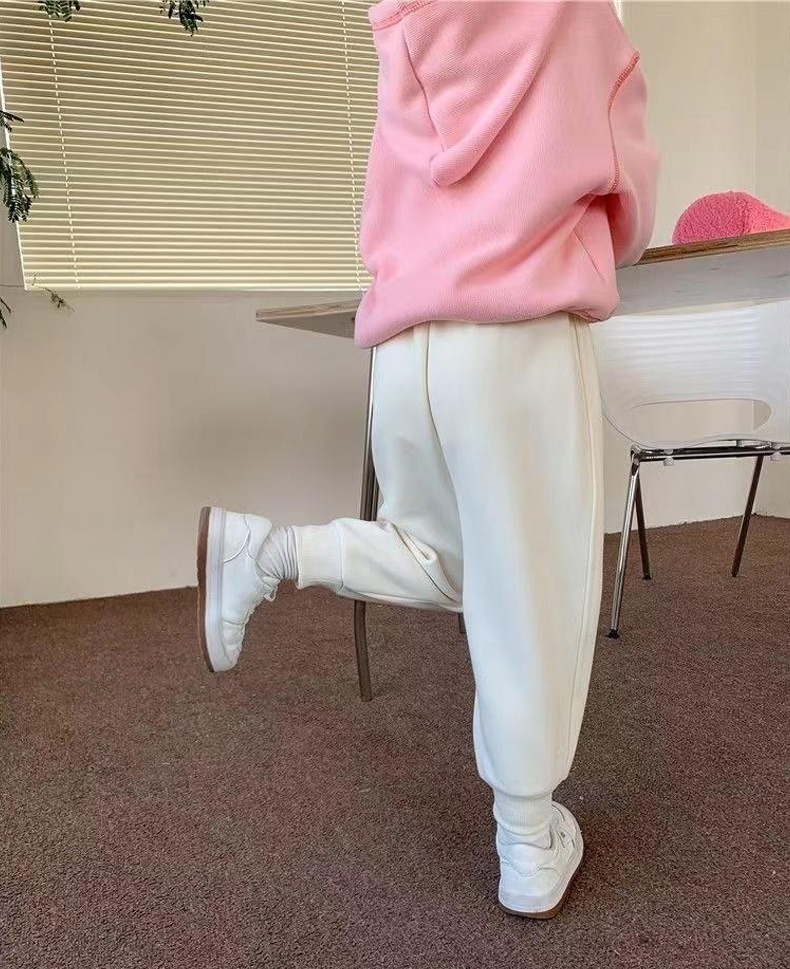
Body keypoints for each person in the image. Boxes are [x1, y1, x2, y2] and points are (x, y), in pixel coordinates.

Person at [196, 0, 658, 919]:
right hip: (520, 329)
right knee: (537, 587)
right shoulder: (576, 16)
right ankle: (528, 838)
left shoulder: (404, 19)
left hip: (406, 345)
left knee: (439, 557)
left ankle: (268, 552)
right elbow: (631, 201)